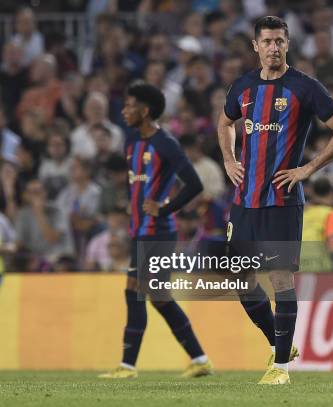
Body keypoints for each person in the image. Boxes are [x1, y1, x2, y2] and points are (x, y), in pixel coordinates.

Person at [217, 16, 333, 385]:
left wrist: (308, 168)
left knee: (280, 279)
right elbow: (224, 122)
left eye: (280, 41)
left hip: (281, 200)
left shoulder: (304, 87)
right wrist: (230, 160)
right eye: (266, 42)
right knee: (240, 280)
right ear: (255, 46)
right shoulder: (242, 88)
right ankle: (281, 345)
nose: (273, 48)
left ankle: (280, 368)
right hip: (244, 201)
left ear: (288, 45)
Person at [99, 82, 213, 379]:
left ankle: (127, 366)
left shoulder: (166, 144)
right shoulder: (131, 142)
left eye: (130, 105)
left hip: (159, 230)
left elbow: (195, 185)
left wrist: (164, 209)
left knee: (135, 291)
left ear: (145, 111)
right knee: (158, 296)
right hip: (140, 229)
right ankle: (199, 358)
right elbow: (138, 184)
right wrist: (132, 204)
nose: (124, 111)